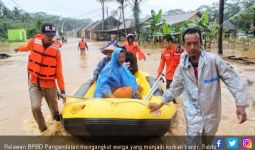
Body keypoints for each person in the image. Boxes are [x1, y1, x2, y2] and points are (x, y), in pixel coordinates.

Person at [149, 28, 248, 147]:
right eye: (188, 44)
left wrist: (240, 103)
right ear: (184, 45)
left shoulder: (213, 61)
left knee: (208, 141)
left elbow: (232, 79)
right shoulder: (182, 67)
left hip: (212, 113)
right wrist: (160, 103)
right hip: (192, 112)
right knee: (191, 142)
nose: (192, 47)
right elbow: (175, 88)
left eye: (195, 43)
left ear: (200, 43)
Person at [16, 23, 66, 132]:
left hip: (49, 85)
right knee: (35, 107)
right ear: (42, 34)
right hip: (34, 82)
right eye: (48, 35)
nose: (51, 38)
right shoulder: (33, 43)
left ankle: (59, 129)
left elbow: (59, 73)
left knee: (55, 113)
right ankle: (44, 132)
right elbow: (25, 47)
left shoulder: (56, 52)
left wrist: (62, 91)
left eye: (52, 36)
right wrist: (18, 49)